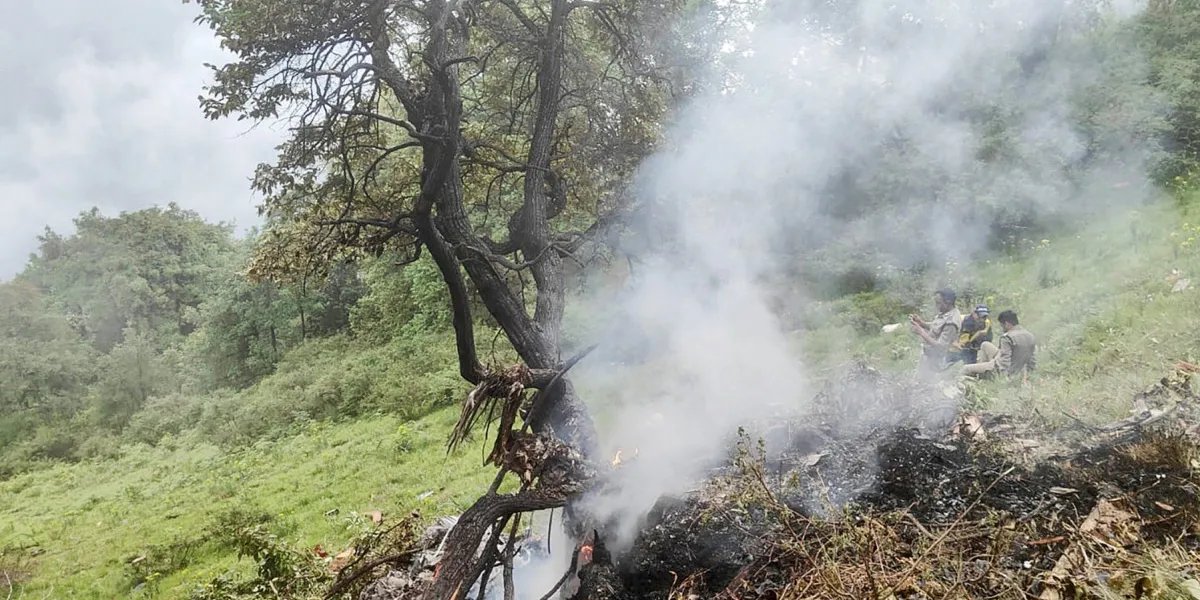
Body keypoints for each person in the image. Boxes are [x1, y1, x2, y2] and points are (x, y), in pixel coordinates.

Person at [962, 310, 1037, 378]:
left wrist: (1003, 377)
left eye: (1002, 325)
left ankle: (981, 375)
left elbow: (1004, 361)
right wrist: (1030, 373)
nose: (1002, 328)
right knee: (985, 344)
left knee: (965, 368)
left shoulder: (1007, 337)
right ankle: (981, 371)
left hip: (1003, 368)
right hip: (1016, 364)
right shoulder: (1030, 335)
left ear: (1006, 324)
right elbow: (1032, 359)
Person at [910, 288, 962, 375]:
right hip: (929, 356)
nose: (936, 306)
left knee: (926, 382)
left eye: (938, 303)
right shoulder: (945, 312)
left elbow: (941, 346)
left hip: (937, 362)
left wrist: (921, 332)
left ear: (948, 302)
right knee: (918, 380)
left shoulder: (951, 322)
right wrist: (922, 323)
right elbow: (938, 328)